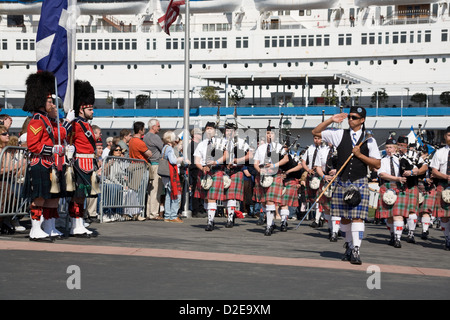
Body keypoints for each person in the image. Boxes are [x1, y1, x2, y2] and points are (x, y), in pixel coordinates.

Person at [312, 107, 381, 264]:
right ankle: (349, 245)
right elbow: (315, 132)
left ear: (362, 120)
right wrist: (331, 120)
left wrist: (360, 155)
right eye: (349, 117)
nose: (350, 119)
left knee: (357, 218)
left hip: (360, 181)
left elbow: (377, 163)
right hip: (342, 181)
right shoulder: (339, 134)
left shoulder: (369, 139)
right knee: (344, 220)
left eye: (354, 117)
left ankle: (356, 249)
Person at [22, 71, 69, 241]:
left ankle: (49, 227)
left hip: (50, 164)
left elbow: (58, 136)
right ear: (41, 101)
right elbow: (34, 145)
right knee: (40, 197)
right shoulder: (36, 120)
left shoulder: (47, 119)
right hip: (40, 162)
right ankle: (35, 229)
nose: (52, 103)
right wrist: (53, 150)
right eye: (49, 101)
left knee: (52, 197)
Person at [66, 79, 99, 237]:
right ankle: (74, 224)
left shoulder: (86, 124)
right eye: (90, 109)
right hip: (79, 162)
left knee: (83, 196)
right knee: (77, 195)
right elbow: (70, 140)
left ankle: (79, 222)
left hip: (88, 162)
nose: (93, 112)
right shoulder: (76, 124)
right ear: (82, 108)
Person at [253, 124, 289, 236]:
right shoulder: (261, 148)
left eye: (272, 133)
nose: (269, 135)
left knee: (270, 200)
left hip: (275, 174)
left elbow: (286, 159)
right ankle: (271, 222)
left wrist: (274, 165)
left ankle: (268, 226)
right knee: (265, 201)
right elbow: (255, 163)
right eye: (268, 133)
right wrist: (260, 171)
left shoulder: (280, 147)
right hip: (263, 175)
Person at [193, 121, 227, 231]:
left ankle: (210, 221)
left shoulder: (222, 142)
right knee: (206, 199)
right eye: (207, 128)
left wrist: (215, 163)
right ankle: (210, 218)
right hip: (204, 171)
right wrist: (202, 168)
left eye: (211, 128)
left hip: (216, 170)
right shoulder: (201, 144)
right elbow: (197, 160)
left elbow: (226, 155)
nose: (208, 130)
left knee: (211, 198)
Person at [377, 138, 408, 248]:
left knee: (398, 215)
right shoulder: (383, 160)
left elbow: (413, 169)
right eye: (386, 147)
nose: (388, 149)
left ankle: (398, 239)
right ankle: (392, 235)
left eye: (391, 147)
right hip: (387, 186)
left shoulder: (403, 159)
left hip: (400, 187)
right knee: (389, 216)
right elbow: (382, 174)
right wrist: (397, 178)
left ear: (396, 148)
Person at [396, 135, 428, 243]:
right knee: (397, 213)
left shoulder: (413, 155)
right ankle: (395, 236)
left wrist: (415, 172)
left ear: (407, 146)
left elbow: (425, 167)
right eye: (399, 145)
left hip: (411, 185)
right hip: (397, 186)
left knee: (412, 210)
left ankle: (411, 233)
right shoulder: (393, 155)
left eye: (403, 146)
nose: (401, 148)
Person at [430, 126, 450, 250]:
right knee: (444, 216)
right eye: (449, 135)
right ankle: (447, 238)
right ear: (445, 136)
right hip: (443, 185)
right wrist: (447, 176)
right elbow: (434, 171)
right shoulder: (440, 152)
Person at [128, 121, 152, 221]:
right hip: (140, 166)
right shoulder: (139, 142)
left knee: (134, 190)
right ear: (140, 130)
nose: (145, 130)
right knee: (140, 191)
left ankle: (134, 212)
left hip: (133, 165)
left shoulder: (131, 140)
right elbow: (149, 153)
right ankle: (137, 213)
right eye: (143, 128)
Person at [301, 134, 326, 227]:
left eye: (319, 138)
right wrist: (308, 170)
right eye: (315, 138)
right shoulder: (310, 149)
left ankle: (318, 219)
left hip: (321, 175)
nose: (316, 140)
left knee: (320, 198)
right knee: (314, 199)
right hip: (311, 175)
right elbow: (303, 162)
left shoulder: (325, 149)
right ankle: (320, 218)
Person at [161, 131, 185, 223]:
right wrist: (181, 159)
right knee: (176, 194)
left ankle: (167, 215)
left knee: (168, 195)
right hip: (171, 174)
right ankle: (173, 215)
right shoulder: (170, 148)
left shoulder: (164, 148)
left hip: (166, 174)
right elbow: (173, 161)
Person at [143, 118, 164, 220]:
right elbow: (163, 148)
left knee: (150, 189)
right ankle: (154, 213)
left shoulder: (145, 136)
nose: (159, 128)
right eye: (158, 126)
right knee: (156, 189)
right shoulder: (155, 137)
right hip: (156, 164)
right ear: (153, 127)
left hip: (149, 164)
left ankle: (149, 212)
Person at [188, 128, 206, 218]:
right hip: (194, 169)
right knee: (196, 189)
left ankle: (200, 208)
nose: (201, 135)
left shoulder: (197, 145)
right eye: (199, 134)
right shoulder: (192, 145)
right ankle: (196, 210)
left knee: (199, 189)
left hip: (198, 168)